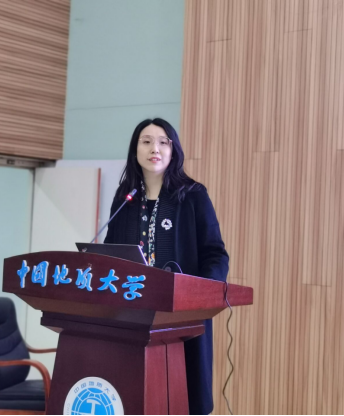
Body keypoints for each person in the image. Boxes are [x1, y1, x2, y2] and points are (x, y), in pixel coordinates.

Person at [104, 118, 229, 415]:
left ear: (174, 150)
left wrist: (201, 293)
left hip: (181, 315)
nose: (155, 149)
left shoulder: (193, 195)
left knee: (182, 397)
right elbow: (109, 256)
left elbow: (215, 254)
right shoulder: (125, 198)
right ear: (135, 150)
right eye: (146, 142)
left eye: (163, 142)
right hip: (132, 315)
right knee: (134, 397)